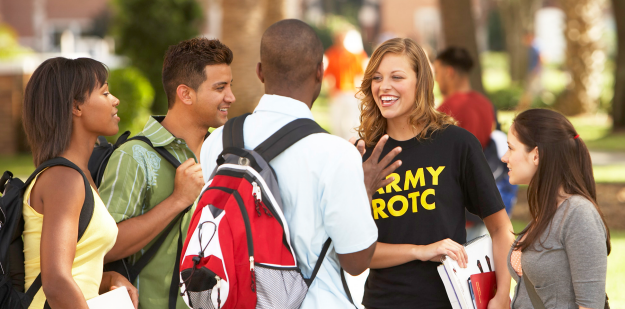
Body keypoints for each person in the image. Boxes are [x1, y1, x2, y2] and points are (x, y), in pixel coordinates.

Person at [200, 19, 379, 308]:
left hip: (237, 301)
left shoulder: (217, 143)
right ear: (320, 72)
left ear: (260, 72)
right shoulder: (336, 154)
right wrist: (365, 190)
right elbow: (356, 261)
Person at [354, 38, 514, 309]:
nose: (384, 86)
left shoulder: (456, 144)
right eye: (377, 78)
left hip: (451, 301)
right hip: (382, 302)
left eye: (397, 77)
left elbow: (500, 228)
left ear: (421, 82)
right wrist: (421, 251)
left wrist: (501, 295)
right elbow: (357, 255)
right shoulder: (363, 156)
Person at [98, 38, 235, 309]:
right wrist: (178, 200)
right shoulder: (134, 156)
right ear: (185, 94)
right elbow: (103, 247)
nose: (231, 97)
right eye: (220, 88)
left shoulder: (227, 155)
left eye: (230, 86)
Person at [21, 57, 137, 308]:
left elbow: (74, 268)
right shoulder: (64, 179)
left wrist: (109, 279)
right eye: (105, 93)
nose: (115, 100)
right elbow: (56, 282)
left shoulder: (77, 175)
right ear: (76, 106)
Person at [502, 109, 610, 309]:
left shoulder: (578, 213)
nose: (504, 157)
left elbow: (590, 305)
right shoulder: (547, 212)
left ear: (536, 155)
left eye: (510, 148)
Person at [434, 46, 518, 236]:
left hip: (459, 205)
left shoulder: (447, 108)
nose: (436, 79)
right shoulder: (486, 104)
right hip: (484, 195)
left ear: (449, 72)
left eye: (437, 73)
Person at [324, 29, 368, 140]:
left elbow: (361, 74)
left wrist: (360, 91)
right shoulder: (331, 54)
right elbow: (329, 75)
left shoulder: (356, 53)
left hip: (352, 92)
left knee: (353, 122)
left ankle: (354, 143)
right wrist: (331, 91)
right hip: (338, 93)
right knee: (337, 121)